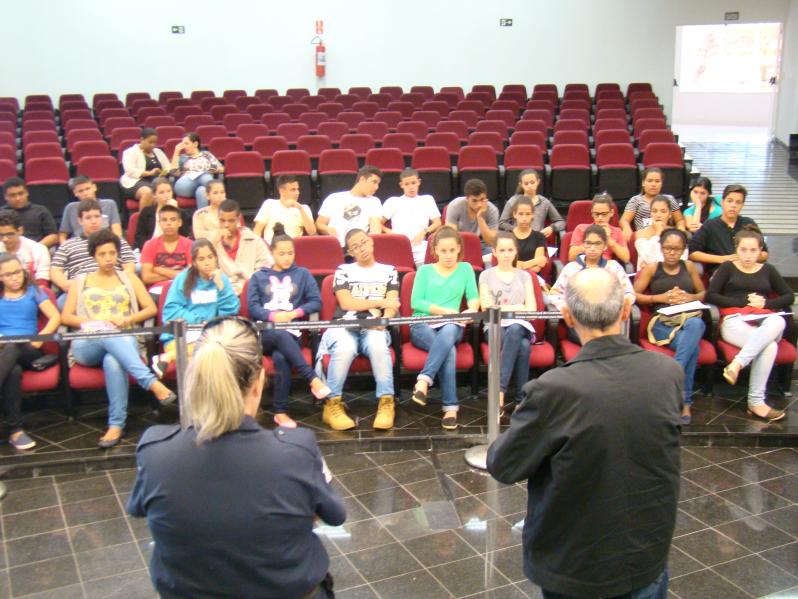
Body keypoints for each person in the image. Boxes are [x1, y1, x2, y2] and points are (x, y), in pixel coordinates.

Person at [487, 268, 682, 599]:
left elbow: (504, 465)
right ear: (625, 310)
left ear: (567, 316)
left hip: (575, 565)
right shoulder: (668, 372)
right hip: (645, 554)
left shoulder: (553, 390)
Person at [127, 316, 345, 599]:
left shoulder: (154, 449)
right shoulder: (297, 449)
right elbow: (335, 515)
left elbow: (138, 508)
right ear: (258, 382)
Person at [60, 230, 176, 448]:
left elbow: (150, 308)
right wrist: (94, 322)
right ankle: (149, 381)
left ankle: (116, 425)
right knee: (107, 334)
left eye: (112, 253)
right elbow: (66, 316)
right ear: (93, 255)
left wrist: (127, 319)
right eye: (102, 254)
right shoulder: (81, 281)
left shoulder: (129, 278)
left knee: (113, 360)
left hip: (124, 338)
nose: (108, 258)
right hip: (88, 342)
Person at [248, 224, 330, 428]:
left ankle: (280, 412)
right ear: (272, 253)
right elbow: (253, 307)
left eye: (290, 253)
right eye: (282, 254)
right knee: (278, 334)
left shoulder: (302, 274)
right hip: (265, 333)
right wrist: (273, 316)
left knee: (281, 357)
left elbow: (316, 302)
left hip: (292, 332)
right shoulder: (259, 276)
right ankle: (312, 378)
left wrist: (294, 313)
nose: (287, 258)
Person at [317, 229, 399, 431]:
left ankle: (386, 403)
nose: (361, 248)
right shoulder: (343, 270)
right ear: (350, 252)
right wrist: (381, 302)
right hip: (345, 324)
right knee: (344, 348)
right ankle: (332, 404)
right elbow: (346, 303)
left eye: (363, 242)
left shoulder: (389, 270)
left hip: (375, 326)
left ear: (371, 241)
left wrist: (385, 319)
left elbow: (393, 303)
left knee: (378, 345)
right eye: (355, 247)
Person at [706, 226, 792, 422]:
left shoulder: (768, 270)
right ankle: (756, 403)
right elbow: (711, 295)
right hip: (735, 320)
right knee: (769, 346)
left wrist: (766, 303)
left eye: (753, 250)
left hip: (764, 320)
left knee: (778, 320)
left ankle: (737, 363)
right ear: (736, 249)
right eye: (743, 250)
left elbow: (788, 296)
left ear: (761, 251)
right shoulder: (727, 268)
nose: (747, 255)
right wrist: (742, 301)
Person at [410, 226, 480, 430]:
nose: (448, 255)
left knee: (449, 330)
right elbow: (416, 302)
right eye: (443, 251)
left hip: (452, 324)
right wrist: (443, 311)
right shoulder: (424, 271)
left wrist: (472, 309)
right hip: (422, 322)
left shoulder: (465, 269)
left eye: (452, 250)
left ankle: (424, 380)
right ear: (435, 251)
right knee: (448, 350)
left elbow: (473, 296)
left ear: (459, 249)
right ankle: (450, 408)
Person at [634, 228, 706, 424]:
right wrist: (660, 298)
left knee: (695, 325)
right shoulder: (652, 268)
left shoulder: (689, 267)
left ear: (683, 250)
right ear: (661, 248)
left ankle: (672, 384)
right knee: (693, 346)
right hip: (662, 322)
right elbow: (634, 295)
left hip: (688, 318)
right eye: (667, 248)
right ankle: (685, 403)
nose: (672, 253)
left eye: (676, 249)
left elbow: (702, 294)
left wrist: (689, 297)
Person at [152, 239, 239, 378]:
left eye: (210, 257)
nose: (207, 263)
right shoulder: (183, 279)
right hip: (182, 335)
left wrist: (221, 288)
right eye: (201, 259)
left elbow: (231, 312)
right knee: (207, 355)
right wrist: (199, 321)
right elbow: (171, 311)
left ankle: (168, 357)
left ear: (216, 258)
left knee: (205, 356)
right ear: (194, 262)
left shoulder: (222, 279)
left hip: (211, 334)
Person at [0, 253, 60, 450]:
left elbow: (55, 317)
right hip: (3, 351)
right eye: (8, 274)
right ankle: (15, 431)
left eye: (17, 272)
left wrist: (40, 337)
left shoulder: (34, 291)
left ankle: (15, 430)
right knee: (13, 371)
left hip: (29, 349)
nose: (14, 277)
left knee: (14, 345)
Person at [479, 232, 537, 414]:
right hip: (494, 326)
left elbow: (532, 310)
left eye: (510, 250)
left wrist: (503, 308)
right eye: (502, 250)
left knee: (515, 328)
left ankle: (499, 390)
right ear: (494, 252)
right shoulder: (485, 275)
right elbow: (487, 309)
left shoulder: (524, 276)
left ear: (516, 251)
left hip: (520, 325)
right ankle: (521, 399)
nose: (506, 254)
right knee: (524, 346)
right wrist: (517, 307)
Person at [51, 200, 136, 308]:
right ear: (80, 221)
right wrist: (64, 284)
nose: (94, 221)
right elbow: (55, 270)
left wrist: (118, 281)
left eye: (97, 216)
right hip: (80, 288)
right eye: (88, 218)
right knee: (60, 305)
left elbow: (129, 266)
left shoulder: (117, 241)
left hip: (113, 285)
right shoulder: (67, 245)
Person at [548, 225, 634, 312]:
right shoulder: (571, 268)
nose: (592, 248)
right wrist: (571, 310)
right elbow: (555, 295)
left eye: (598, 243)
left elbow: (629, 294)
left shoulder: (614, 267)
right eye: (588, 243)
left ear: (605, 246)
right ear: (583, 245)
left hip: (607, 315)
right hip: (577, 315)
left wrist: (610, 309)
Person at [689, 184, 768, 272]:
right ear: (722, 202)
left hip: (748, 269)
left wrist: (746, 258)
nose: (733, 205)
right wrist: (722, 259)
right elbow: (692, 253)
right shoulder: (710, 225)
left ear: (742, 205)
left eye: (738, 202)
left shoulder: (749, 223)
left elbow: (764, 253)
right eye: (729, 201)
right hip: (721, 270)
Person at [381, 168, 442, 267]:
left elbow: (437, 222)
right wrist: (391, 232)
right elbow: (378, 223)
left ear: (419, 182)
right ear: (401, 185)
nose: (411, 187)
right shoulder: (393, 201)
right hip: (398, 244)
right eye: (407, 184)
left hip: (420, 245)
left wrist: (424, 232)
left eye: (413, 183)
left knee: (425, 269)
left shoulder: (427, 200)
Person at [316, 165, 383, 247]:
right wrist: (328, 229)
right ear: (362, 180)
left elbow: (375, 228)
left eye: (378, 184)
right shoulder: (334, 197)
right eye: (374, 182)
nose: (377, 187)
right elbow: (319, 224)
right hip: (334, 246)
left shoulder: (374, 201)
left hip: (358, 248)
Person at [216, 199, 272, 295]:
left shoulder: (254, 240)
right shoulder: (211, 243)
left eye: (231, 221)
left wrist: (247, 286)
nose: (226, 225)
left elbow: (266, 267)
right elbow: (205, 271)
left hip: (251, 292)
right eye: (222, 221)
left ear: (238, 220)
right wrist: (214, 243)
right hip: (223, 294)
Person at [140, 204, 194, 295]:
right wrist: (176, 274)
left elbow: (191, 275)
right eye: (164, 220)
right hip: (157, 290)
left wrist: (160, 270)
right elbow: (146, 277)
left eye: (173, 219)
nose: (168, 223)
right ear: (159, 223)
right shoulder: (150, 245)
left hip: (182, 288)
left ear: (180, 222)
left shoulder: (190, 244)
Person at [445, 178, 499, 266]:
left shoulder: (492, 210)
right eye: (474, 200)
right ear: (467, 199)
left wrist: (480, 218)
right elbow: (450, 236)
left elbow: (491, 242)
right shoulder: (455, 206)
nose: (479, 204)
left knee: (495, 258)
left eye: (482, 199)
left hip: (483, 248)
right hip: (459, 247)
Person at [620, 167, 685, 240]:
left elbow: (680, 220)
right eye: (650, 181)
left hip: (666, 237)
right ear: (643, 183)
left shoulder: (669, 199)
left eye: (657, 181)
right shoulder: (635, 200)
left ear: (661, 183)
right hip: (644, 238)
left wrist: (681, 229)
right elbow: (624, 220)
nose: (653, 184)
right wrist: (626, 228)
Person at [499, 169, 564, 238]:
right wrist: (514, 229)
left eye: (532, 182)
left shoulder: (544, 202)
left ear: (538, 182)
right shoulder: (513, 200)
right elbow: (502, 223)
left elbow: (561, 222)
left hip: (537, 239)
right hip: (517, 238)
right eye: (526, 183)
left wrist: (552, 227)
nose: (530, 186)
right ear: (521, 184)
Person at [253, 175, 317, 243]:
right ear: (282, 191)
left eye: (298, 189)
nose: (297, 193)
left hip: (293, 246)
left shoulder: (304, 208)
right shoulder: (269, 204)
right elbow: (257, 230)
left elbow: (312, 233)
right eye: (293, 190)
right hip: (270, 246)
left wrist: (300, 208)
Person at [569, 193, 630, 263]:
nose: (600, 218)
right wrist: (589, 242)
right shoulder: (581, 228)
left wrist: (608, 239)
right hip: (585, 263)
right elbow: (571, 257)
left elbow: (626, 258)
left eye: (604, 214)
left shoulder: (617, 231)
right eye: (597, 214)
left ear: (611, 213)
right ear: (592, 213)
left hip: (605, 265)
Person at [59, 176, 122, 243]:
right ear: (75, 193)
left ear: (94, 187)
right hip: (78, 244)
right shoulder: (70, 208)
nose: (85, 193)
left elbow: (117, 232)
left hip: (104, 242)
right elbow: (62, 236)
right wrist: (66, 246)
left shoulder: (109, 204)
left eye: (88, 189)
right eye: (81, 191)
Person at [134, 178, 191, 251]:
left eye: (169, 191)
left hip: (174, 250)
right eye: (161, 192)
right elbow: (139, 236)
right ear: (154, 195)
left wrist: (176, 212)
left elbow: (184, 235)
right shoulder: (147, 211)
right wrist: (149, 249)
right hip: (150, 249)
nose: (166, 195)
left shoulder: (182, 213)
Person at [120, 128, 171, 208]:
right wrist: (149, 173)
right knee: (148, 192)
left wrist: (163, 172)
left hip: (156, 181)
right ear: (142, 139)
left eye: (155, 143)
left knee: (165, 191)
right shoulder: (130, 152)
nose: (153, 145)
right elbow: (129, 171)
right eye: (150, 142)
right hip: (135, 181)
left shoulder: (158, 152)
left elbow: (168, 167)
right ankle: (144, 216)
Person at [171, 133, 224, 209]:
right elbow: (173, 172)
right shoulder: (183, 157)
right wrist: (176, 152)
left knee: (202, 190)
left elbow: (221, 169)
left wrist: (209, 169)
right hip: (184, 186)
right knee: (204, 176)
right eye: (183, 144)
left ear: (195, 144)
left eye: (186, 144)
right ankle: (219, 196)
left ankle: (202, 215)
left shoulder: (206, 155)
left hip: (203, 185)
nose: (184, 147)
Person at [1, 178, 58, 248]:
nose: (18, 198)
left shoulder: (41, 210)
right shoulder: (1, 213)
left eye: (21, 193)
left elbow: (53, 236)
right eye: (12, 195)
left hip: (37, 249)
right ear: (5, 196)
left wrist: (35, 248)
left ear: (27, 193)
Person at [634, 196, 688, 271]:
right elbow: (648, 257)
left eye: (663, 211)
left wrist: (653, 264)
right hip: (648, 275)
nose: (658, 215)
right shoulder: (641, 233)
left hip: (673, 273)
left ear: (670, 214)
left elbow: (682, 259)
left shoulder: (676, 234)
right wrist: (658, 232)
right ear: (650, 213)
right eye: (654, 211)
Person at [0, 210, 50, 285]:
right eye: (1, 235)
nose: (5, 239)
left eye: (9, 234)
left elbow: (42, 282)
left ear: (20, 230)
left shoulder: (39, 249)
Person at [509, 196, 548, 274]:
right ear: (514, 214)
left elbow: (537, 268)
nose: (524, 218)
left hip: (533, 276)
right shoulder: (507, 237)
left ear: (532, 215)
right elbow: (508, 265)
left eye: (528, 214)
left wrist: (520, 265)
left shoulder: (539, 236)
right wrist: (535, 261)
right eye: (521, 214)